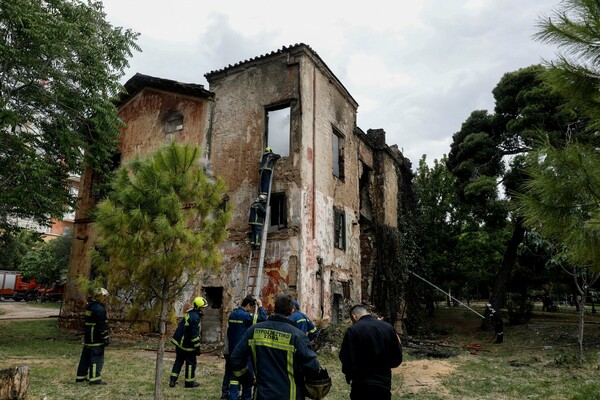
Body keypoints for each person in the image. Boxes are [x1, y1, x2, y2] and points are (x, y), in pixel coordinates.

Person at [230, 293, 324, 400]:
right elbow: (313, 367)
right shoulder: (297, 336)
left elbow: (236, 358)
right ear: (292, 310)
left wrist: (248, 380)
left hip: (262, 395)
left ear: (274, 308)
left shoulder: (253, 331)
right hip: (290, 395)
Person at [339, 304, 403, 400]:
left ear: (354, 316)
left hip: (361, 384)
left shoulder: (353, 330)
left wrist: (349, 374)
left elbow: (347, 357)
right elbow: (397, 357)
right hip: (383, 384)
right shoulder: (388, 327)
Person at [221, 295, 267, 400]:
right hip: (245, 352)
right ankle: (246, 397)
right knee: (247, 375)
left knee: (233, 376)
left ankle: (231, 396)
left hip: (233, 351)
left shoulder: (232, 315)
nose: (251, 310)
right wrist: (260, 306)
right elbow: (264, 319)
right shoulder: (246, 317)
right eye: (251, 307)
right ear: (247, 305)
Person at [169, 296, 208, 388]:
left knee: (178, 361)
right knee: (191, 363)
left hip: (180, 344)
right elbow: (194, 336)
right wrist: (197, 348)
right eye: (203, 307)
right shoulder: (195, 318)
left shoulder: (189, 313)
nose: (204, 309)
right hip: (188, 345)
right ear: (198, 307)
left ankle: (172, 380)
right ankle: (189, 382)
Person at [76, 287, 110, 385]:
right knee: (96, 358)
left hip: (88, 337)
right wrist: (106, 337)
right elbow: (103, 325)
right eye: (104, 297)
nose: (105, 299)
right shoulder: (100, 309)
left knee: (85, 358)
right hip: (96, 338)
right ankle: (95, 379)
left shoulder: (89, 307)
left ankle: (80, 377)